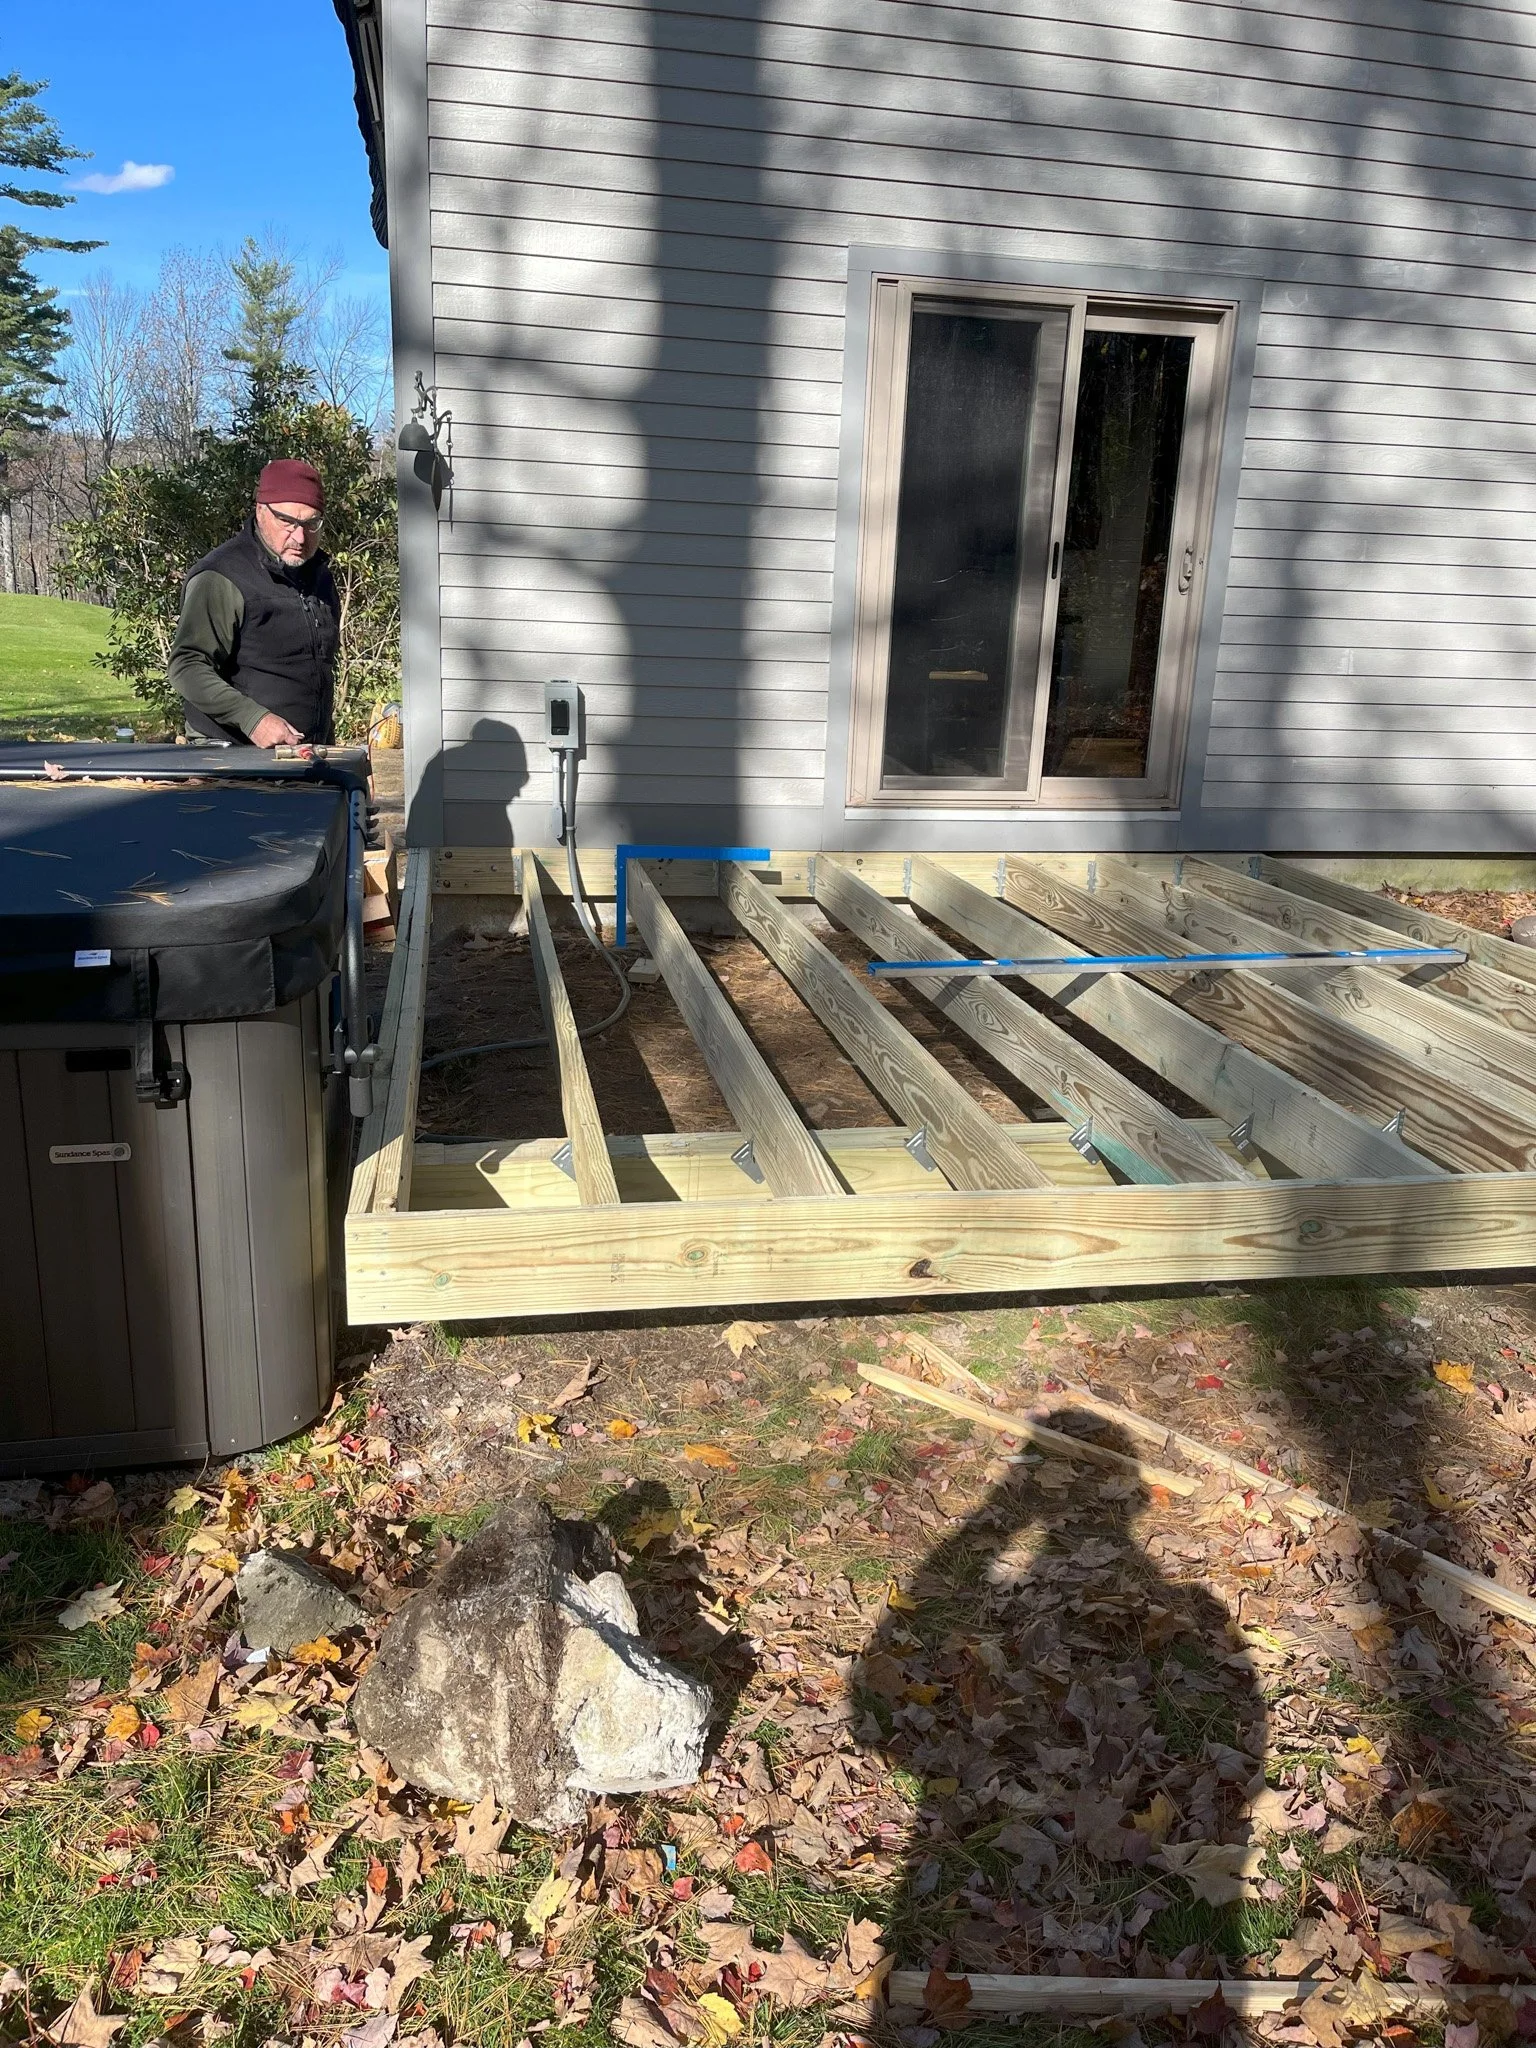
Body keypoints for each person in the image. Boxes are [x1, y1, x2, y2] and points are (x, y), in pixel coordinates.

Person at [168, 458, 340, 748]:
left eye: (311, 523)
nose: (299, 537)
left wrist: (340, 761)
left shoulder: (320, 578)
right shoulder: (222, 576)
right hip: (232, 761)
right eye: (287, 521)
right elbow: (187, 665)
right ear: (261, 511)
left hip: (305, 757)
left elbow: (318, 675)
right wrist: (252, 719)